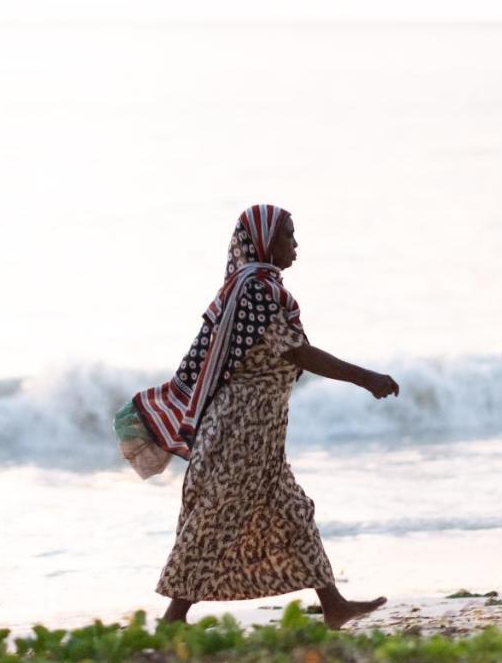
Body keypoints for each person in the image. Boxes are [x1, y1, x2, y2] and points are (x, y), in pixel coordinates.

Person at [114, 204, 399, 629]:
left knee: (294, 512)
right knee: (216, 519)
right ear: (265, 241)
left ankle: (334, 605)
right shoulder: (255, 291)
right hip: (239, 430)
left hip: (260, 431)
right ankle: (174, 617)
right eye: (288, 235)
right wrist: (366, 378)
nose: (295, 244)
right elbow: (297, 351)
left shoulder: (256, 287)